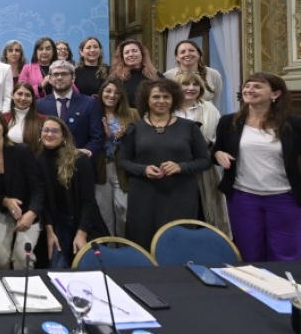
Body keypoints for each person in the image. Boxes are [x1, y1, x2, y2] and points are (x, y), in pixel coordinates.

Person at [213, 72, 301, 262]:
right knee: (249, 253)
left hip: (284, 198)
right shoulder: (229, 122)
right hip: (243, 198)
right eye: (247, 86)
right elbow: (216, 150)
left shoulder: (294, 125)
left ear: (275, 94)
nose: (249, 90)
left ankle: (286, 290)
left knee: (286, 253)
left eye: (257, 86)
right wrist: (217, 154)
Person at [118, 79, 210, 250]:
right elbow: (123, 161)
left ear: (174, 99)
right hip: (143, 195)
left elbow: (205, 160)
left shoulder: (189, 128)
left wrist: (181, 167)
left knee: (178, 245)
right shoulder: (135, 128)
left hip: (180, 194)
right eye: (156, 97)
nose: (161, 101)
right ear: (147, 100)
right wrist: (143, 169)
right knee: (143, 242)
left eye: (166, 97)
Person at [38, 117, 108, 267]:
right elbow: (43, 202)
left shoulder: (80, 159)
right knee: (56, 267)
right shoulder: (38, 160)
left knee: (84, 267)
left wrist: (81, 233)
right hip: (57, 223)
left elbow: (88, 201)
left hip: (83, 222)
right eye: (46, 130)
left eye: (55, 131)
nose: (49, 134)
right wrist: (50, 232)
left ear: (63, 135)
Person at [0, 108, 44, 270]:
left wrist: (32, 213)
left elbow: (38, 187)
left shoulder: (22, 151)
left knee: (22, 258)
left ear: (3, 126)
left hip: (28, 212)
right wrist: (5, 201)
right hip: (1, 213)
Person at [174, 72, 230, 236]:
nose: (191, 88)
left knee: (203, 210)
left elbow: (219, 139)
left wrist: (207, 143)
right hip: (174, 167)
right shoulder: (168, 108)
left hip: (203, 167)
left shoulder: (210, 109)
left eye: (195, 85)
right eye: (186, 84)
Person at [94, 78, 138, 237]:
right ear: (101, 93)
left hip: (122, 169)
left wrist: (124, 137)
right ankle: (111, 253)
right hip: (101, 168)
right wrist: (107, 136)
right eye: (108, 91)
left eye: (116, 92)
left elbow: (140, 142)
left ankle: (125, 247)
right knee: (104, 214)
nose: (112, 95)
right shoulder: (93, 112)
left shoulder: (132, 113)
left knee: (124, 211)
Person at [37, 60, 104, 160]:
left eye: (64, 74)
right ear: (49, 79)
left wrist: (83, 154)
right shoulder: (39, 105)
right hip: (48, 164)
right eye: (55, 74)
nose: (60, 77)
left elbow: (97, 137)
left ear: (73, 78)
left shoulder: (90, 103)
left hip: (80, 164)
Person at [164, 40, 223, 105]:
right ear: (176, 57)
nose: (187, 54)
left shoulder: (213, 74)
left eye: (191, 51)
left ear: (199, 54)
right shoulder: (168, 76)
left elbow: (216, 101)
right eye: (183, 52)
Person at [110, 39, 163, 107]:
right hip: (125, 116)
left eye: (134, 51)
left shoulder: (156, 76)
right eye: (127, 52)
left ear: (142, 53)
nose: (131, 54)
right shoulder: (115, 78)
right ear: (122, 57)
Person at [5, 82, 45, 153]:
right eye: (19, 94)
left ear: (32, 98)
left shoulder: (43, 120)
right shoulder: (3, 118)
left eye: (27, 95)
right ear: (12, 95)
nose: (23, 98)